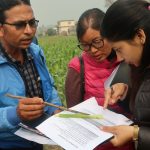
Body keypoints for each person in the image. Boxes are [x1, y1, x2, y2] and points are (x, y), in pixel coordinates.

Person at [65, 8, 134, 150]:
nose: (93, 50)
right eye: (85, 45)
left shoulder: (130, 60)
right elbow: (73, 115)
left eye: (97, 42)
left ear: (110, 34)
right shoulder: (78, 68)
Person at [0, 0, 62, 149]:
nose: (29, 30)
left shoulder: (35, 52)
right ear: (1, 29)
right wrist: (14, 114)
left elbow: (48, 86)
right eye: (19, 25)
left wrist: (56, 109)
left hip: (37, 141)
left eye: (32, 22)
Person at [100, 0, 150, 150]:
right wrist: (127, 92)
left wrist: (135, 133)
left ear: (139, 36)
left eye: (119, 49)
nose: (119, 58)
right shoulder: (142, 67)